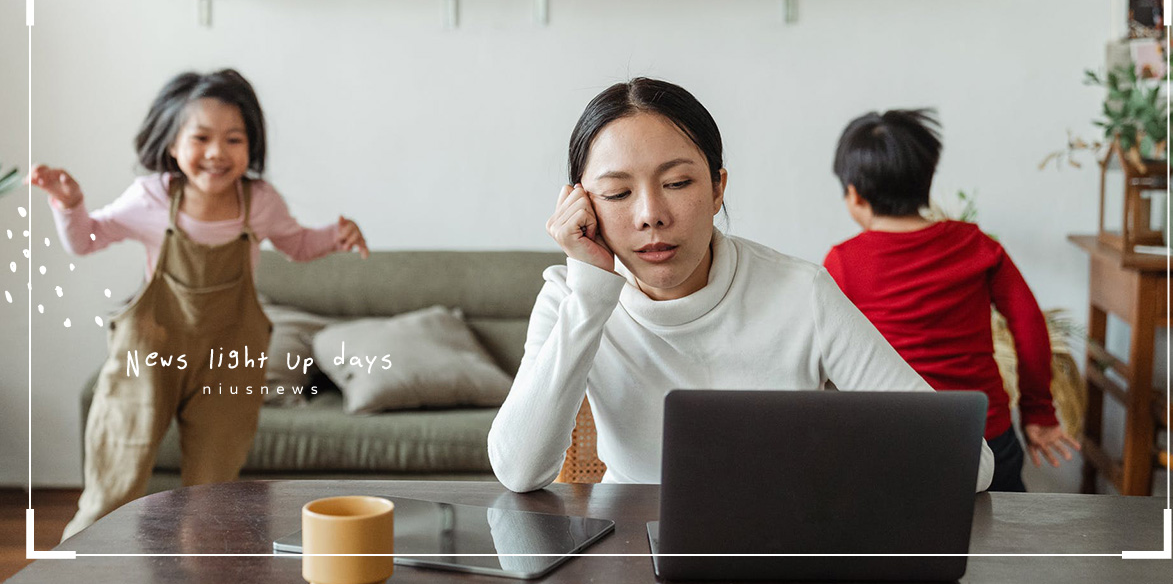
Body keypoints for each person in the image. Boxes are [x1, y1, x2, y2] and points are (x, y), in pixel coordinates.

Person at [487, 78, 994, 493]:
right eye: (618, 192)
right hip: (630, 546)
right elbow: (518, 471)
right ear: (583, 206)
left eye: (678, 183)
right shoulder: (569, 297)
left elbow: (970, 464)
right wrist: (591, 294)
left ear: (717, 189)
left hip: (781, 544)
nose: (651, 216)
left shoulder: (802, 292)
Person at [29, 69, 370, 539]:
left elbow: (297, 244)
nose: (216, 152)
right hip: (149, 357)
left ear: (252, 146)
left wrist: (336, 236)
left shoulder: (260, 202)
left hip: (228, 361)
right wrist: (70, 205)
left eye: (234, 138)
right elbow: (87, 239)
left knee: (211, 498)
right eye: (201, 137)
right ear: (172, 144)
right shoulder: (151, 197)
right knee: (112, 487)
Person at [822, 108, 1080, 492]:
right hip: (985, 436)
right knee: (1001, 543)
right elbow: (1028, 324)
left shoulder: (843, 262)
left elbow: (828, 352)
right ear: (926, 181)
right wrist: (1038, 410)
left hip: (895, 441)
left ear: (855, 195)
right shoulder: (977, 245)